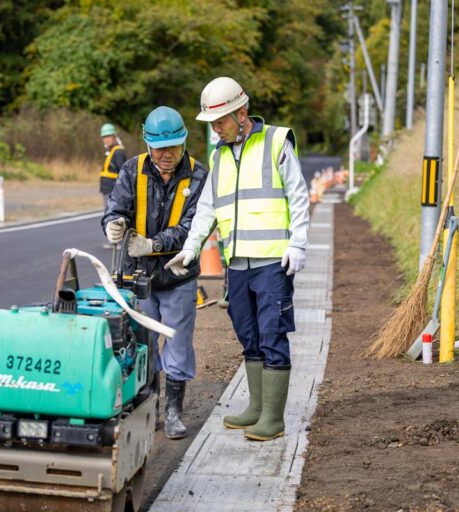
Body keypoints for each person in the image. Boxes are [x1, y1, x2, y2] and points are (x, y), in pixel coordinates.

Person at [166, 77, 309, 442]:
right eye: (212, 123)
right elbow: (208, 207)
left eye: (220, 121)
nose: (215, 129)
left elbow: (299, 195)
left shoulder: (276, 142)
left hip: (273, 262)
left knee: (272, 333)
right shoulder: (220, 154)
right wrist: (192, 246)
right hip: (237, 264)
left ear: (241, 113)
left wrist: (298, 244)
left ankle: (273, 419)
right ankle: (257, 409)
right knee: (248, 335)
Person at [102, 106, 208, 440]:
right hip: (138, 279)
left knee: (176, 342)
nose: (167, 155)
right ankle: (151, 404)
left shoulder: (199, 175)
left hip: (178, 277)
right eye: (161, 148)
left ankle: (174, 411)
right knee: (144, 344)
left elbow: (193, 227)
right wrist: (113, 226)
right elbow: (115, 209)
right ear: (148, 144)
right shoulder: (132, 170)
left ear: (184, 141)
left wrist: (153, 244)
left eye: (174, 147)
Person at [99, 123, 127, 210]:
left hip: (113, 191)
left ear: (114, 136)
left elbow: (123, 175)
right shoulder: (111, 152)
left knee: (111, 217)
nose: (106, 139)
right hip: (108, 190)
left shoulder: (118, 153)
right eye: (104, 137)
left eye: (109, 136)